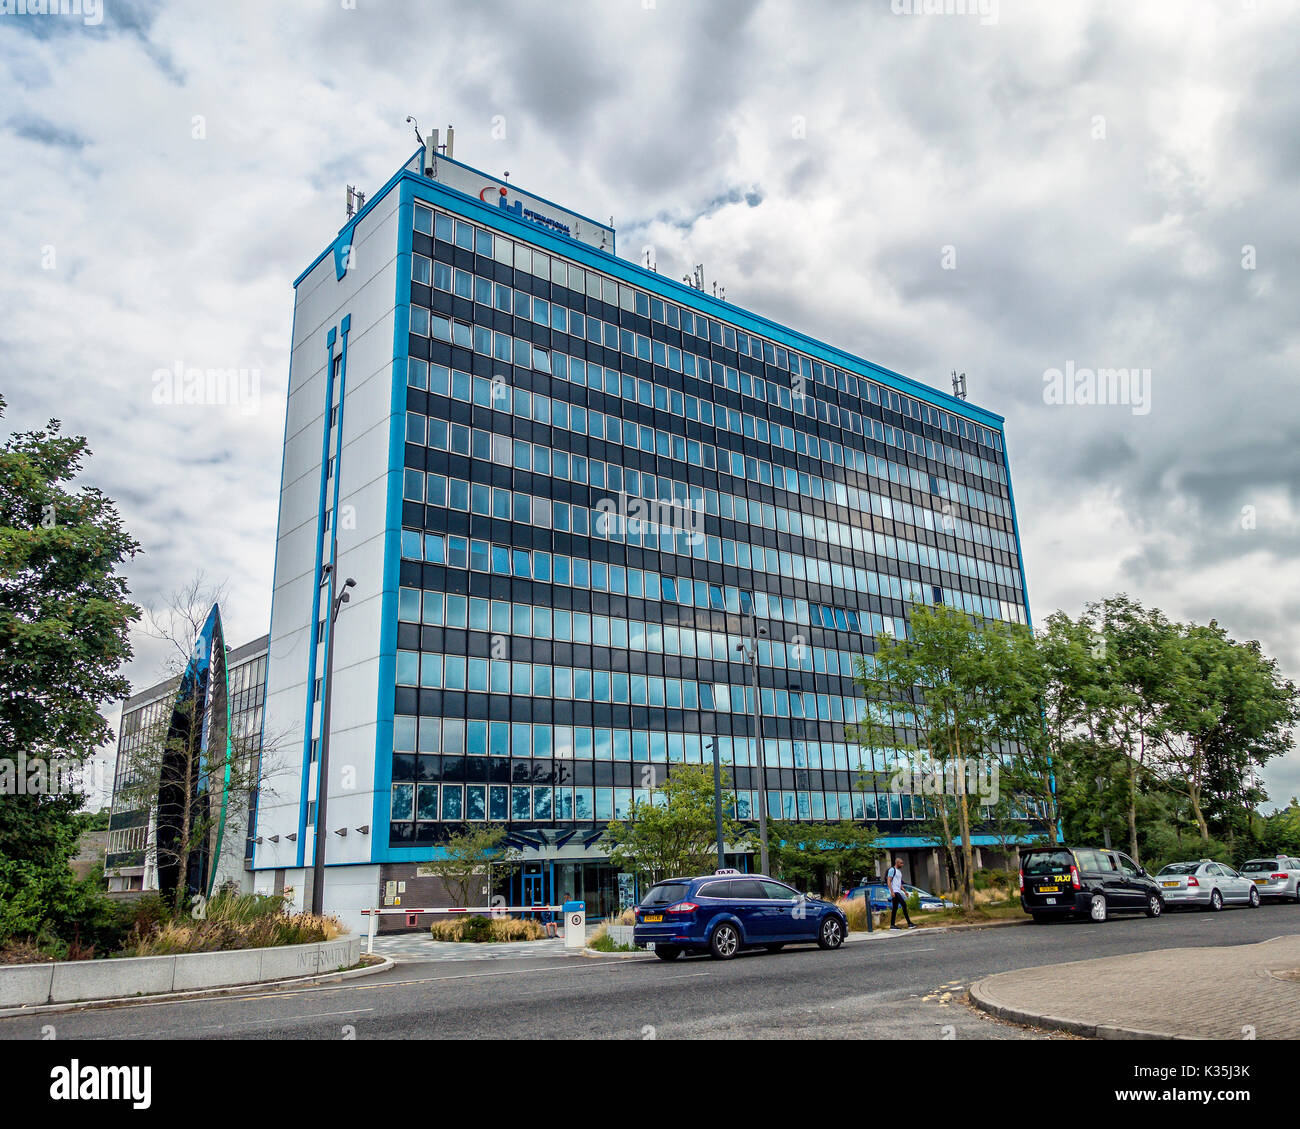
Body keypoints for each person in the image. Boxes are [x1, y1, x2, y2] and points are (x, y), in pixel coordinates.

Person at [886, 857, 915, 930]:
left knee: (895, 908)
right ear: (897, 863)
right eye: (901, 863)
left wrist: (904, 891)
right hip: (894, 891)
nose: (902, 864)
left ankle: (892, 925)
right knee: (904, 904)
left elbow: (899, 883)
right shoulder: (892, 870)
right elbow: (889, 881)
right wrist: (892, 891)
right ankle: (909, 923)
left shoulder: (899, 872)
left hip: (898, 891)